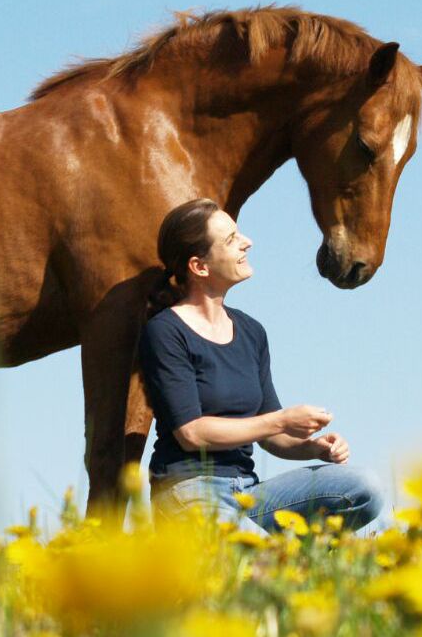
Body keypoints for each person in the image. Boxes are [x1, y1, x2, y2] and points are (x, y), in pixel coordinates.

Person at [140, 198, 383, 533]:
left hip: (248, 493)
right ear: (199, 267)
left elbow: (273, 438)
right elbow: (191, 433)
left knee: (364, 487)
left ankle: (274, 549)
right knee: (264, 563)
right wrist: (281, 419)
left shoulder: (252, 332)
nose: (247, 242)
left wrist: (314, 448)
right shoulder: (166, 331)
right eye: (230, 239)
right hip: (188, 492)